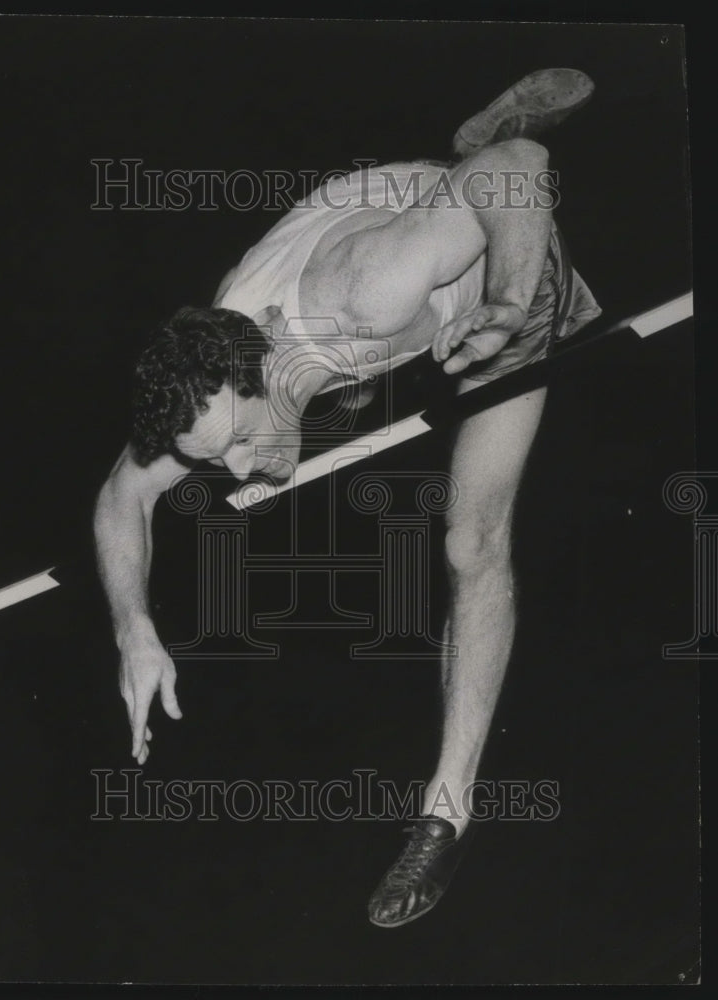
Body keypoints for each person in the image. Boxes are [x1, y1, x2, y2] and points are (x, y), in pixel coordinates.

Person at [93, 69, 601, 928]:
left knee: (470, 543)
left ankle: (446, 810)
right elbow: (120, 495)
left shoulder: (358, 296)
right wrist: (132, 630)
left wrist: (512, 300)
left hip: (476, 270)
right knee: (359, 365)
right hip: (387, 234)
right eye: (217, 462)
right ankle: (447, 181)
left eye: (245, 443)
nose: (246, 472)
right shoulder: (210, 384)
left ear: (262, 370)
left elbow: (520, 166)